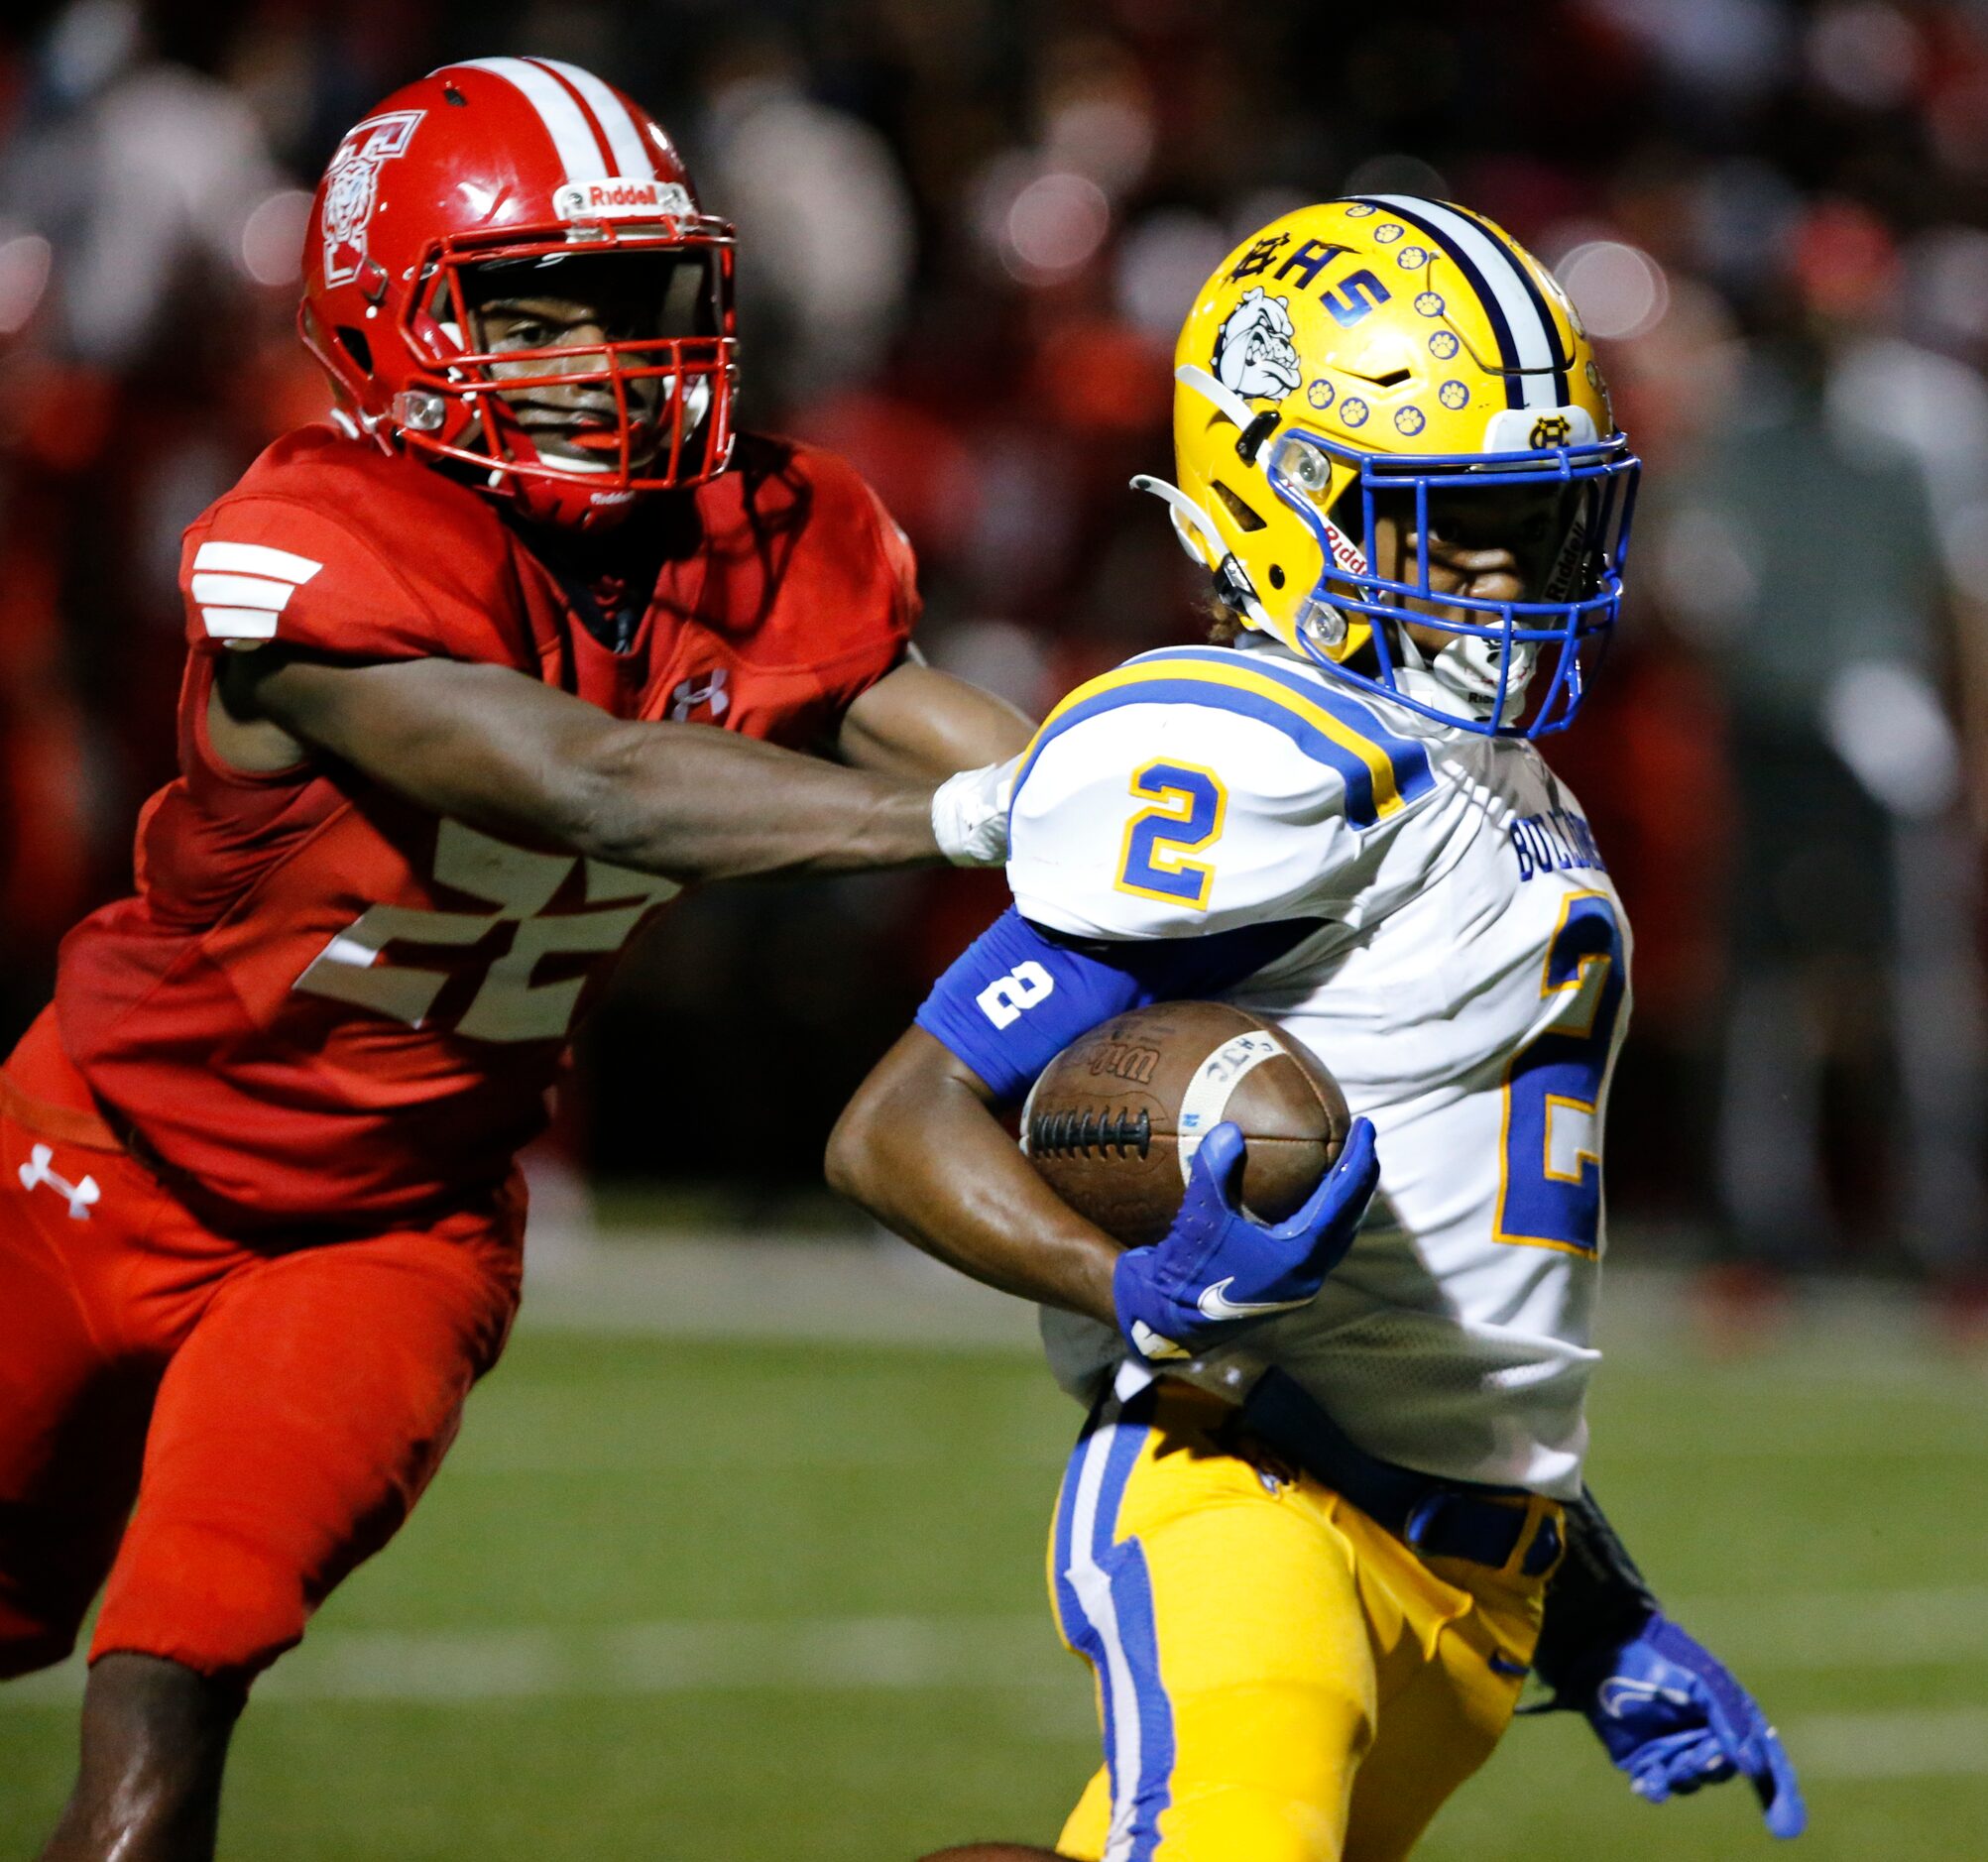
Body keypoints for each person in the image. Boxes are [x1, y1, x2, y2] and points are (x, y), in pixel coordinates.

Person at [0, 58, 1031, 1862]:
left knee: (169, 1679)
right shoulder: (320, 541)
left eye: (639, 303)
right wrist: (959, 829)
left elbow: (980, 747)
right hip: (100, 1155)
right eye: (535, 312)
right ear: (389, 329)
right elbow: (589, 780)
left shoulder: (763, 542)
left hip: (389, 1219)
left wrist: (1179, 804)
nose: (607, 358)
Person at [830, 198, 1805, 1860]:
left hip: (1473, 1573)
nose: (1510, 572)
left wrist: (1589, 1597)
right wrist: (1119, 1281)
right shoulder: (1265, 747)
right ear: (1282, 499)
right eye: (1455, 525)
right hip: (1251, 1497)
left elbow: (1463, 1302)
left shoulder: (1512, 792)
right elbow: (897, 1123)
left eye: (1534, 520)